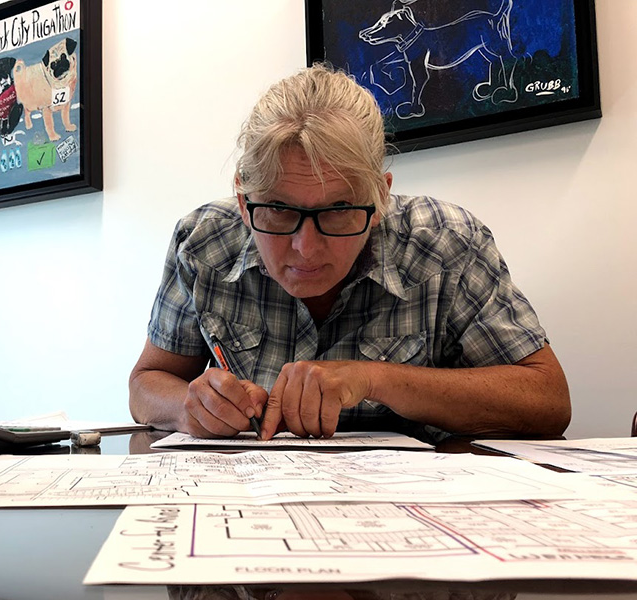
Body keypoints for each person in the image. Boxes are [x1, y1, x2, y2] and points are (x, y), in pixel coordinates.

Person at [129, 64, 570, 443]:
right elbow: (145, 384)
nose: (306, 247)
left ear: (380, 197)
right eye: (279, 210)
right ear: (244, 201)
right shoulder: (203, 242)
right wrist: (189, 407)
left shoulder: (445, 243)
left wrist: (374, 378)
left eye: (339, 210)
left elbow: (547, 401)